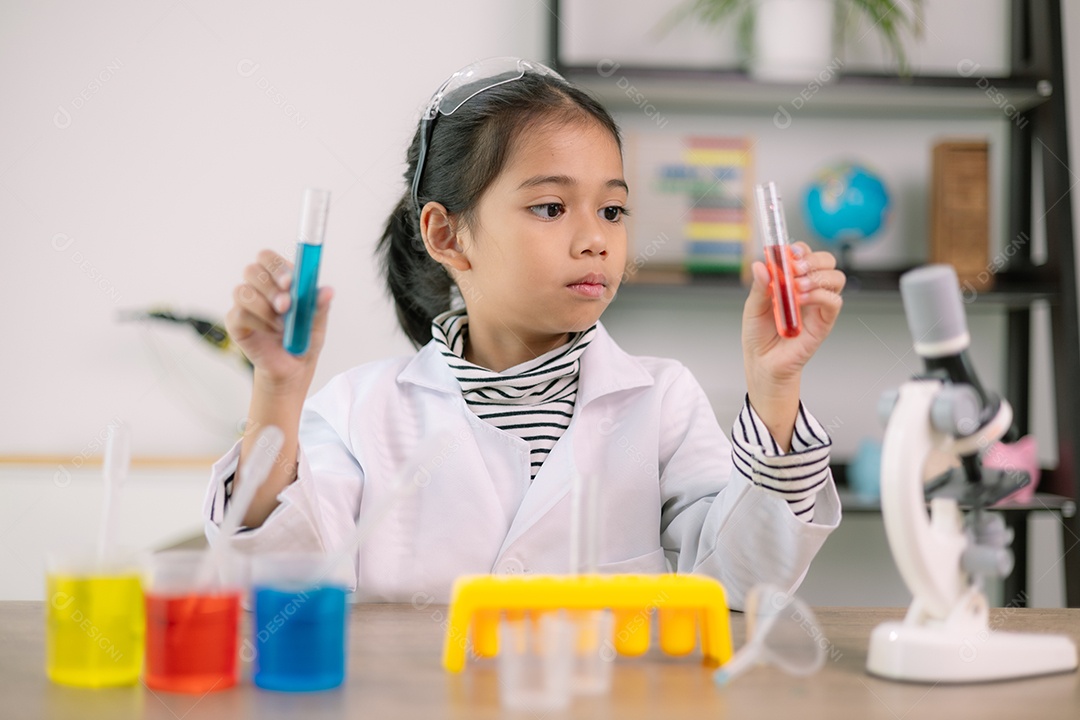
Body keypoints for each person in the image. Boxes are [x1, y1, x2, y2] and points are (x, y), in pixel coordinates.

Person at [204, 57, 846, 608]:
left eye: (613, 210)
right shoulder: (358, 412)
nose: (596, 238)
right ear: (446, 235)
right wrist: (278, 394)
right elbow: (279, 579)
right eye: (550, 207)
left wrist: (774, 384)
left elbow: (745, 580)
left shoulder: (662, 402)